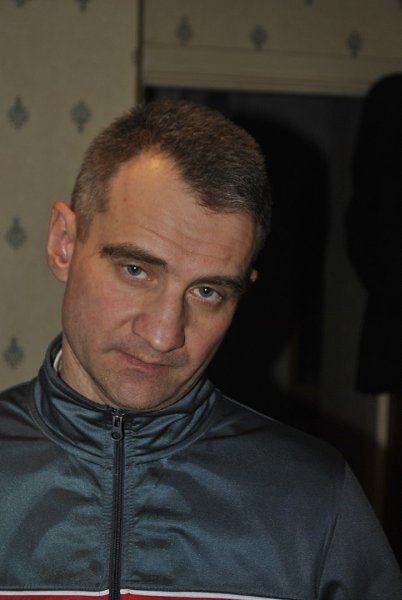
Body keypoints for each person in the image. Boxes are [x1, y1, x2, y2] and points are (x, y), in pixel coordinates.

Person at [0, 100, 400, 599]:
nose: (164, 335)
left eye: (207, 291)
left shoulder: (315, 498)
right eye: (136, 270)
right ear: (64, 243)